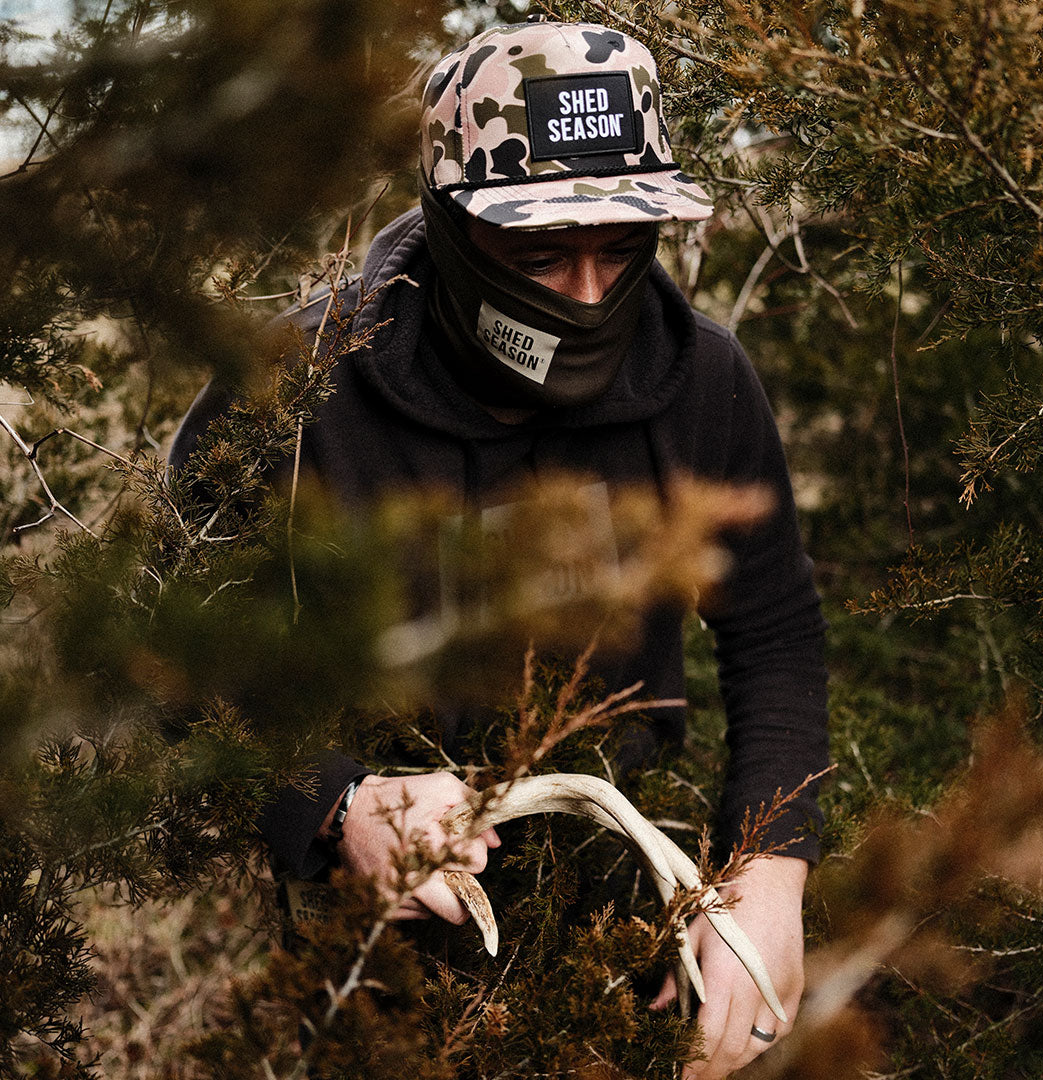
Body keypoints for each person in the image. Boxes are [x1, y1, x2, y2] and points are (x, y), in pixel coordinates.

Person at [169, 17, 829, 1077]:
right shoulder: (291, 393)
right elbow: (179, 657)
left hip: (631, 908)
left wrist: (773, 866)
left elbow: (776, 633)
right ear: (450, 223)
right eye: (537, 252)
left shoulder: (703, 380)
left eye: (620, 248)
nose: (585, 293)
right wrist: (336, 799)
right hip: (369, 932)